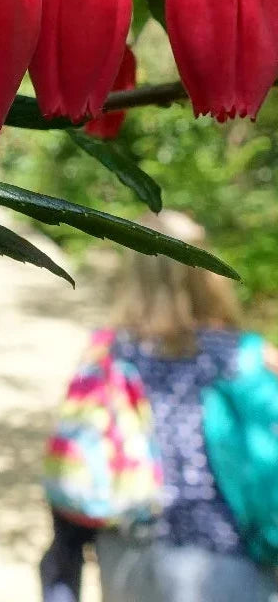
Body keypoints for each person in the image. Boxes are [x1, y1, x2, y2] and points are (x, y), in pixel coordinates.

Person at [41, 241, 278, 602]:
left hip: (126, 550)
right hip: (223, 554)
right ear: (207, 276)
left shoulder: (108, 349)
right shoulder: (241, 354)